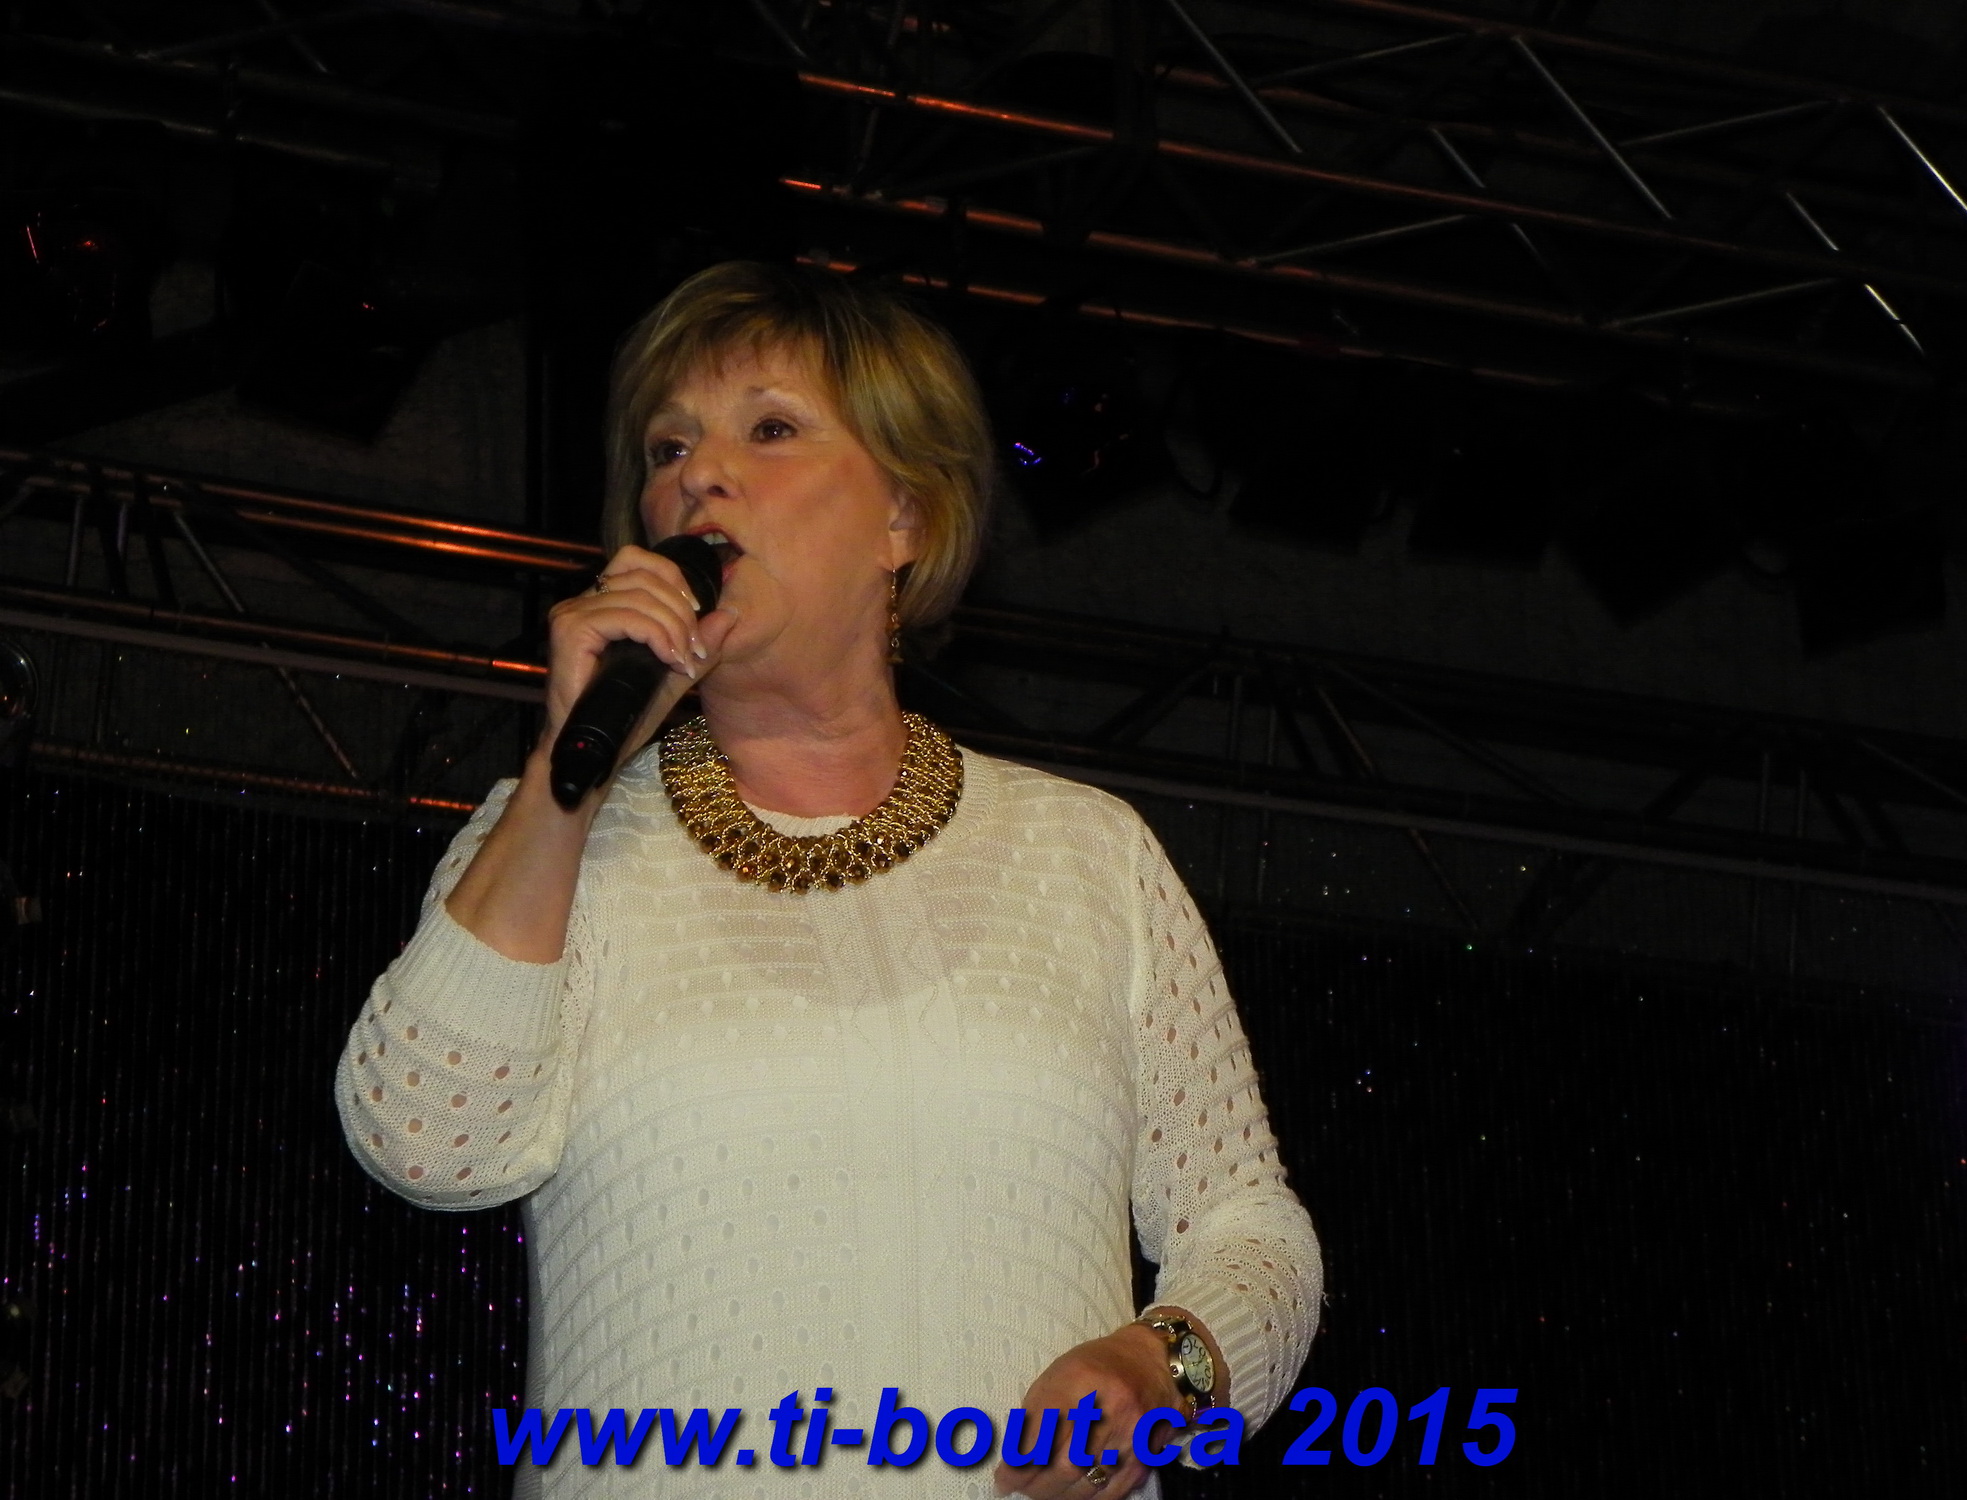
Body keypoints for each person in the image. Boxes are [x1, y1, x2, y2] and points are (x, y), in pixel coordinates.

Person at [336, 262, 1319, 1499]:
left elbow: (1248, 1231)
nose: (696, 475)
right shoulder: (547, 838)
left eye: (769, 429)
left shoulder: (1085, 853)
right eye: (666, 447)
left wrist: (1161, 1364)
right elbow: (427, 1140)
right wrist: (560, 783)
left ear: (904, 516)